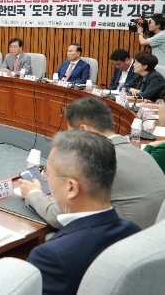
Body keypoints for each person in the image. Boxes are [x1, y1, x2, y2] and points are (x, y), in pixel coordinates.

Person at [19, 97, 165, 230]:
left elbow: (61, 217)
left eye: (72, 134)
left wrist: (34, 194)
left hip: (120, 245)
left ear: (84, 130)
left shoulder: (98, 161)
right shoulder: (143, 154)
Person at [26, 130, 140, 295]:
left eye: (48, 174)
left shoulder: (51, 257)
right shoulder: (133, 231)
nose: (46, 180)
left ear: (71, 188)